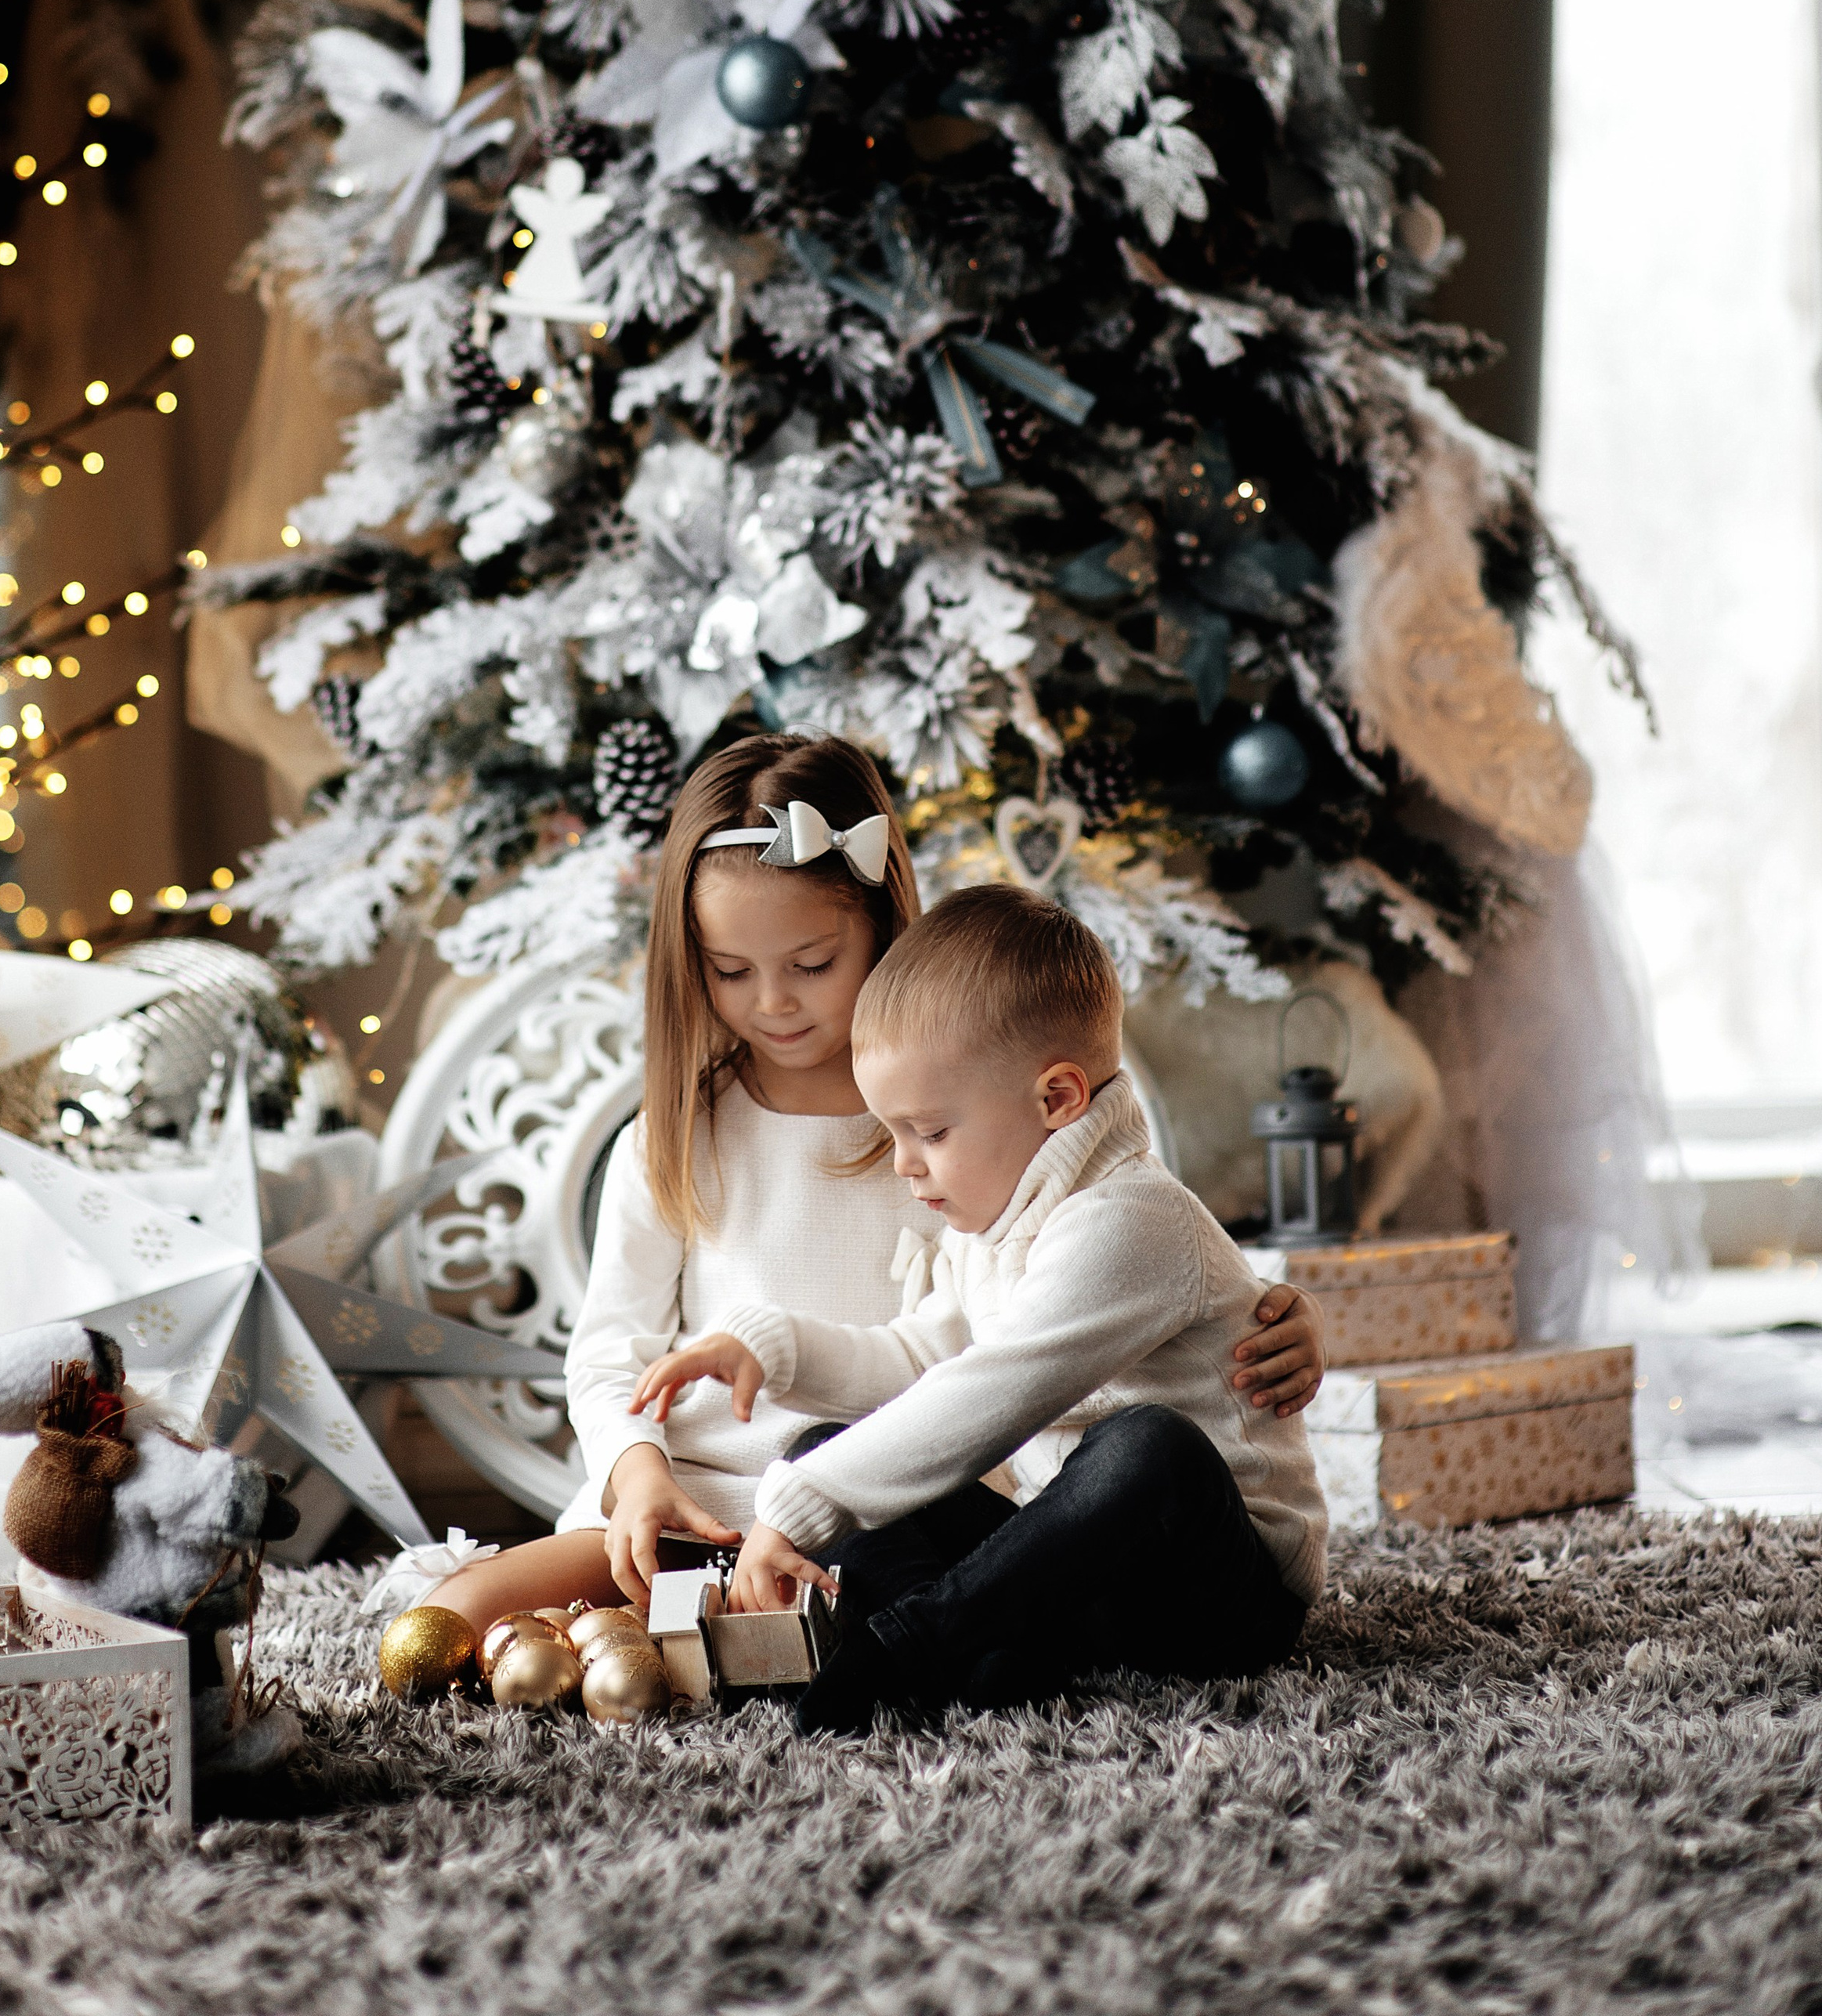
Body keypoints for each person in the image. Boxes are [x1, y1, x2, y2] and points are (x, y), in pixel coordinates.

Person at [408, 738, 1325, 1646]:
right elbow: (611, 1353)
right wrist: (635, 1472)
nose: (773, 1001)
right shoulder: (674, 1136)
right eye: (730, 969)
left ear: (881, 928)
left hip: (886, 1505)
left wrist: (1279, 1314)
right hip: (691, 1496)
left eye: (811, 963)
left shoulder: (971, 1119)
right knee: (449, 1618)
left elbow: (1121, 1264)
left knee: (873, 1599)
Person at [630, 881, 1328, 1732]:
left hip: (1216, 1593)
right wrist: (775, 1351)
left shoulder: (1132, 1220)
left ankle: (917, 1640)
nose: (904, 1163)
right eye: (894, 1132)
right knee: (824, 1444)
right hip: (1075, 1578)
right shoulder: (995, 1222)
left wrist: (800, 1503)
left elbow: (995, 1390)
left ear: (1056, 1099)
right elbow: (921, 1358)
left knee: (1149, 1446)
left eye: (929, 1132)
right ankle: (993, 1652)